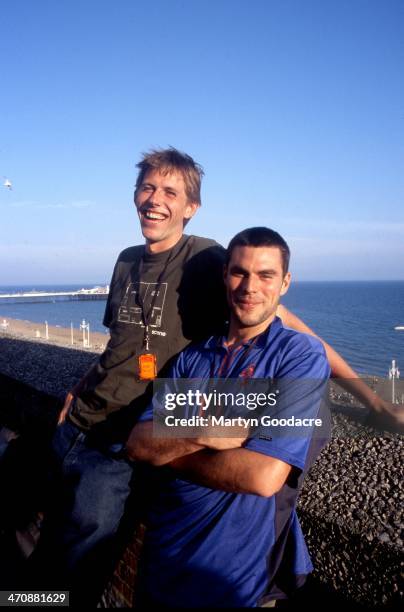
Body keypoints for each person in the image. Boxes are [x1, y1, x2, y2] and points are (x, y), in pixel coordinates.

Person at [28, 148, 402, 603]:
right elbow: (121, 343)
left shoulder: (207, 259)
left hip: (119, 443)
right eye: (147, 187)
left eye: (170, 191)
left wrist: (374, 402)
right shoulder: (127, 260)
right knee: (44, 547)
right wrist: (79, 387)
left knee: (76, 573)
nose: (155, 199)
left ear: (191, 208)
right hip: (78, 424)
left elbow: (283, 321)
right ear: (133, 195)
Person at [125, 227, 330, 607]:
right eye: (239, 272)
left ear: (285, 283)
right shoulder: (192, 358)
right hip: (159, 567)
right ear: (225, 276)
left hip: (232, 582)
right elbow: (138, 443)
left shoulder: (298, 355)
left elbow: (263, 476)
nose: (249, 286)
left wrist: (172, 449)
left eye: (266, 275)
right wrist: (209, 431)